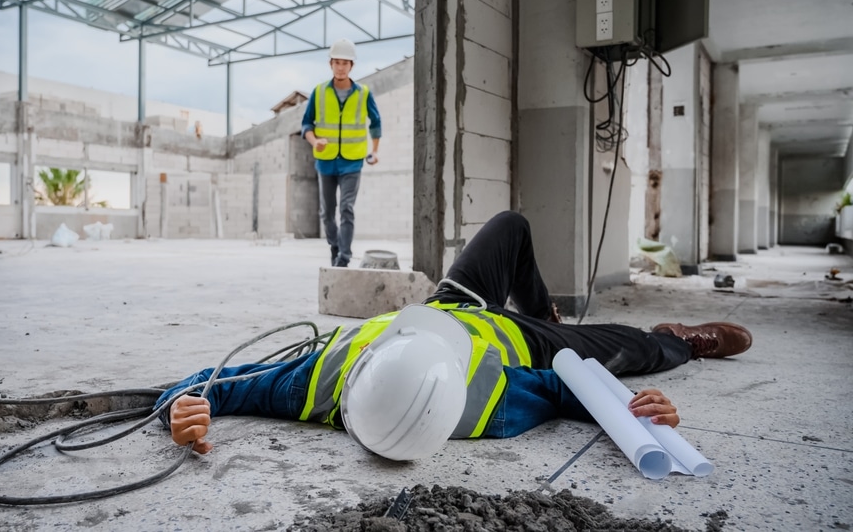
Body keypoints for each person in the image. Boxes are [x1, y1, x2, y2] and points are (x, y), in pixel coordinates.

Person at [157, 211, 752, 460]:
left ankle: (547, 310)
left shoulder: (313, 381)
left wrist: (178, 407)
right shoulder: (493, 404)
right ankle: (683, 340)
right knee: (639, 350)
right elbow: (573, 391)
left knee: (510, 227)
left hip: (453, 307)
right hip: (527, 345)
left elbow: (214, 384)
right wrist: (637, 408)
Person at [300, 38, 382, 267]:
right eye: (336, 62)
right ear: (331, 64)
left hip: (352, 161)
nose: (340, 67)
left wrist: (374, 151)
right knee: (327, 213)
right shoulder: (319, 92)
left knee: (346, 208)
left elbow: (376, 122)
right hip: (325, 162)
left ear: (352, 66)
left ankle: (343, 258)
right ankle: (335, 247)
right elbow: (306, 124)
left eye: (345, 63)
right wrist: (314, 141)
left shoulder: (364, 93)